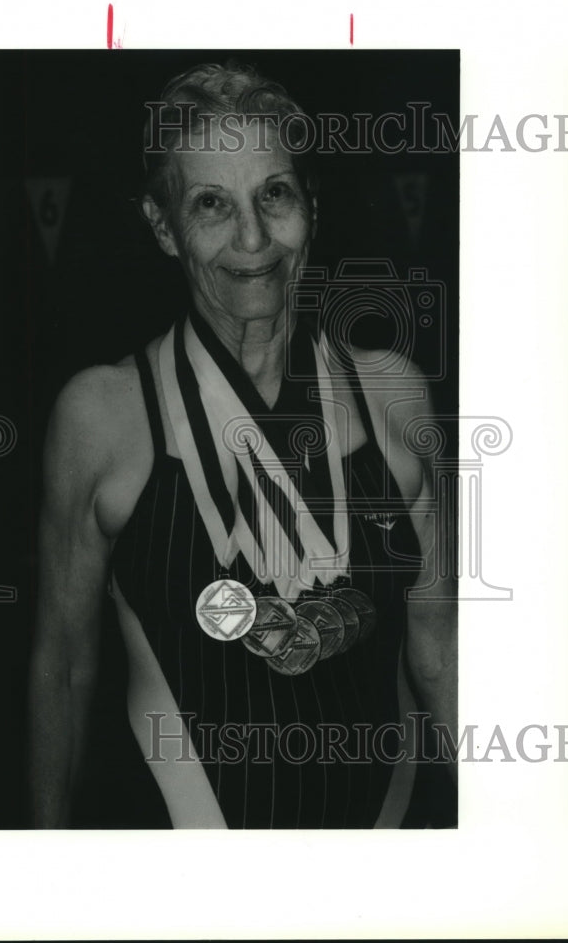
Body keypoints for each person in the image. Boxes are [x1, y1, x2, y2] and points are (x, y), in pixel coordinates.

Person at [29, 62, 457, 829]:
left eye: (274, 194)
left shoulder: (392, 391)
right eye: (211, 205)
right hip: (195, 868)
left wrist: (512, 834)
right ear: (164, 228)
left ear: (310, 208)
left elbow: (439, 642)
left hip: (385, 852)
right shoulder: (102, 416)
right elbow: (61, 668)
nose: (253, 238)